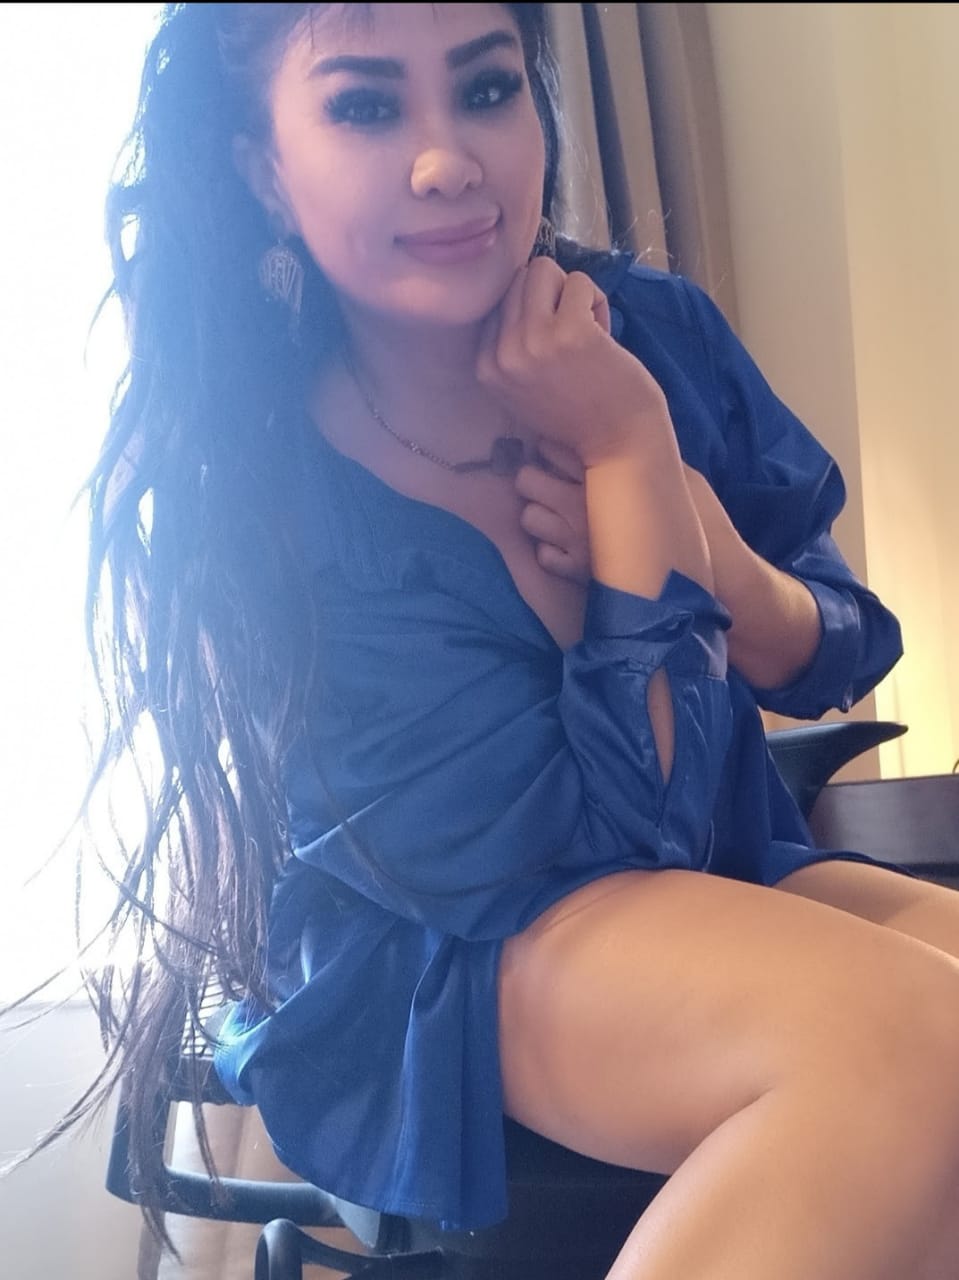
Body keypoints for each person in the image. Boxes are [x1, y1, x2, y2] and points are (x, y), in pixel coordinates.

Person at [60, 3, 959, 1277]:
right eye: (366, 106)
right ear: (265, 169)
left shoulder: (648, 331)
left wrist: (718, 560)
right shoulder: (268, 489)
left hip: (720, 870)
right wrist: (625, 454)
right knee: (901, 1040)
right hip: (456, 943)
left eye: (485, 89)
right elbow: (623, 844)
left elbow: (843, 646)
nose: (446, 158)